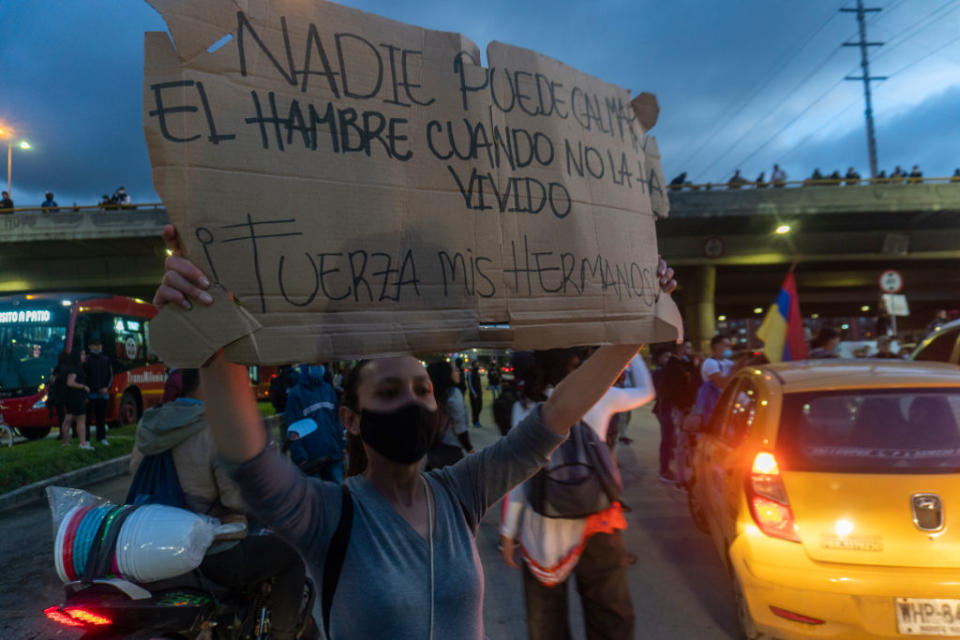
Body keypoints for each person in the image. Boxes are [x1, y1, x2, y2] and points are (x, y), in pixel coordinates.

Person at [152, 223, 678, 640]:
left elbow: (558, 413)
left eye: (421, 390)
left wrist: (637, 325)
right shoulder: (326, 515)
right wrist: (207, 324)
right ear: (351, 420)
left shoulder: (460, 492)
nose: (411, 401)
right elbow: (250, 459)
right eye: (388, 393)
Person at [129, 369, 309, 640]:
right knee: (290, 555)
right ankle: (283, 635)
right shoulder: (215, 427)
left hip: (150, 546)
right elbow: (234, 498)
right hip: (211, 553)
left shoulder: (151, 424)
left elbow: (135, 471)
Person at [500, 348, 654, 640]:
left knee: (547, 627)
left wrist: (509, 532)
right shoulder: (597, 396)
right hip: (596, 524)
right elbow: (646, 390)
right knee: (610, 622)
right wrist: (631, 349)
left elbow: (518, 478)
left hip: (541, 533)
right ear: (572, 363)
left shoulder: (524, 407)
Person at [283, 363, 344, 482]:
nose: (318, 367)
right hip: (311, 461)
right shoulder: (296, 395)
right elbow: (293, 429)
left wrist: (341, 445)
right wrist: (300, 458)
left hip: (333, 455)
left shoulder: (328, 390)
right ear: (305, 367)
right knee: (315, 498)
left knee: (338, 495)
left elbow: (337, 420)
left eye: (319, 364)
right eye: (314, 364)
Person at [425, 360, 473, 470]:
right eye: (455, 370)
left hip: (433, 449)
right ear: (447, 374)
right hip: (452, 450)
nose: (459, 372)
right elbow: (460, 426)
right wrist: (469, 448)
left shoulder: (432, 394)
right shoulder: (453, 393)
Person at [695, 335, 736, 422]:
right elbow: (722, 384)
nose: (729, 349)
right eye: (726, 345)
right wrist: (734, 370)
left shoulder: (727, 362)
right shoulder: (710, 363)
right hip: (715, 406)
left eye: (730, 346)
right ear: (716, 346)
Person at [84, 334, 113, 446]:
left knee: (101, 418)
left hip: (103, 394)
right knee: (87, 419)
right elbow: (84, 377)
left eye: (99, 345)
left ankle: (102, 437)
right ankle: (86, 439)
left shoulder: (106, 359)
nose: (98, 347)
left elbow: (110, 376)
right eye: (95, 345)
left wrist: (107, 388)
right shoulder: (86, 360)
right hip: (90, 394)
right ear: (90, 347)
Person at [61, 349, 92, 449]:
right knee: (80, 419)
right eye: (82, 354)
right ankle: (82, 443)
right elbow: (70, 382)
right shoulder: (75, 369)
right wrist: (83, 387)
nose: (84, 356)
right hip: (76, 397)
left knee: (68, 420)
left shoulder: (72, 368)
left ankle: (66, 443)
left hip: (72, 397)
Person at [467, 359, 484, 428]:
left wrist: (481, 390)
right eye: (477, 364)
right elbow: (470, 384)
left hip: (479, 393)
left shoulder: (477, 373)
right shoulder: (470, 373)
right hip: (474, 394)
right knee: (475, 408)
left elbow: (479, 383)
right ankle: (475, 421)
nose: (478, 365)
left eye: (478, 364)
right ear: (474, 365)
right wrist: (473, 393)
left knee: (480, 407)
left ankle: (476, 420)